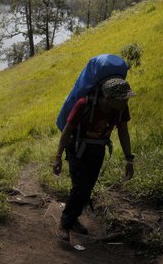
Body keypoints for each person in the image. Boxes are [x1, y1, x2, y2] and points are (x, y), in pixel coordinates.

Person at [53, 77, 136, 241]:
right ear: (109, 97)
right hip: (77, 148)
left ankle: (73, 219)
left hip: (97, 149)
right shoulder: (84, 104)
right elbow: (68, 129)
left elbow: (123, 132)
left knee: (87, 188)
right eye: (123, 98)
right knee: (80, 187)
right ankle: (64, 224)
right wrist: (58, 157)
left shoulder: (121, 109)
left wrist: (129, 159)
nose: (126, 101)